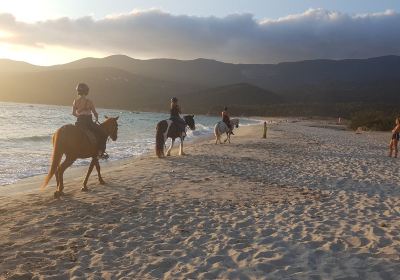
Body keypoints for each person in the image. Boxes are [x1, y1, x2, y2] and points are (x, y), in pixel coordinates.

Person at [72, 83, 108, 159]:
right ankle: (100, 152)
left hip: (79, 122)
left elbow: (73, 113)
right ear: (86, 91)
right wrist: (96, 119)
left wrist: (80, 116)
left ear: (78, 91)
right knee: (103, 133)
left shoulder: (75, 101)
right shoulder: (89, 101)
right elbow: (95, 113)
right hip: (88, 122)